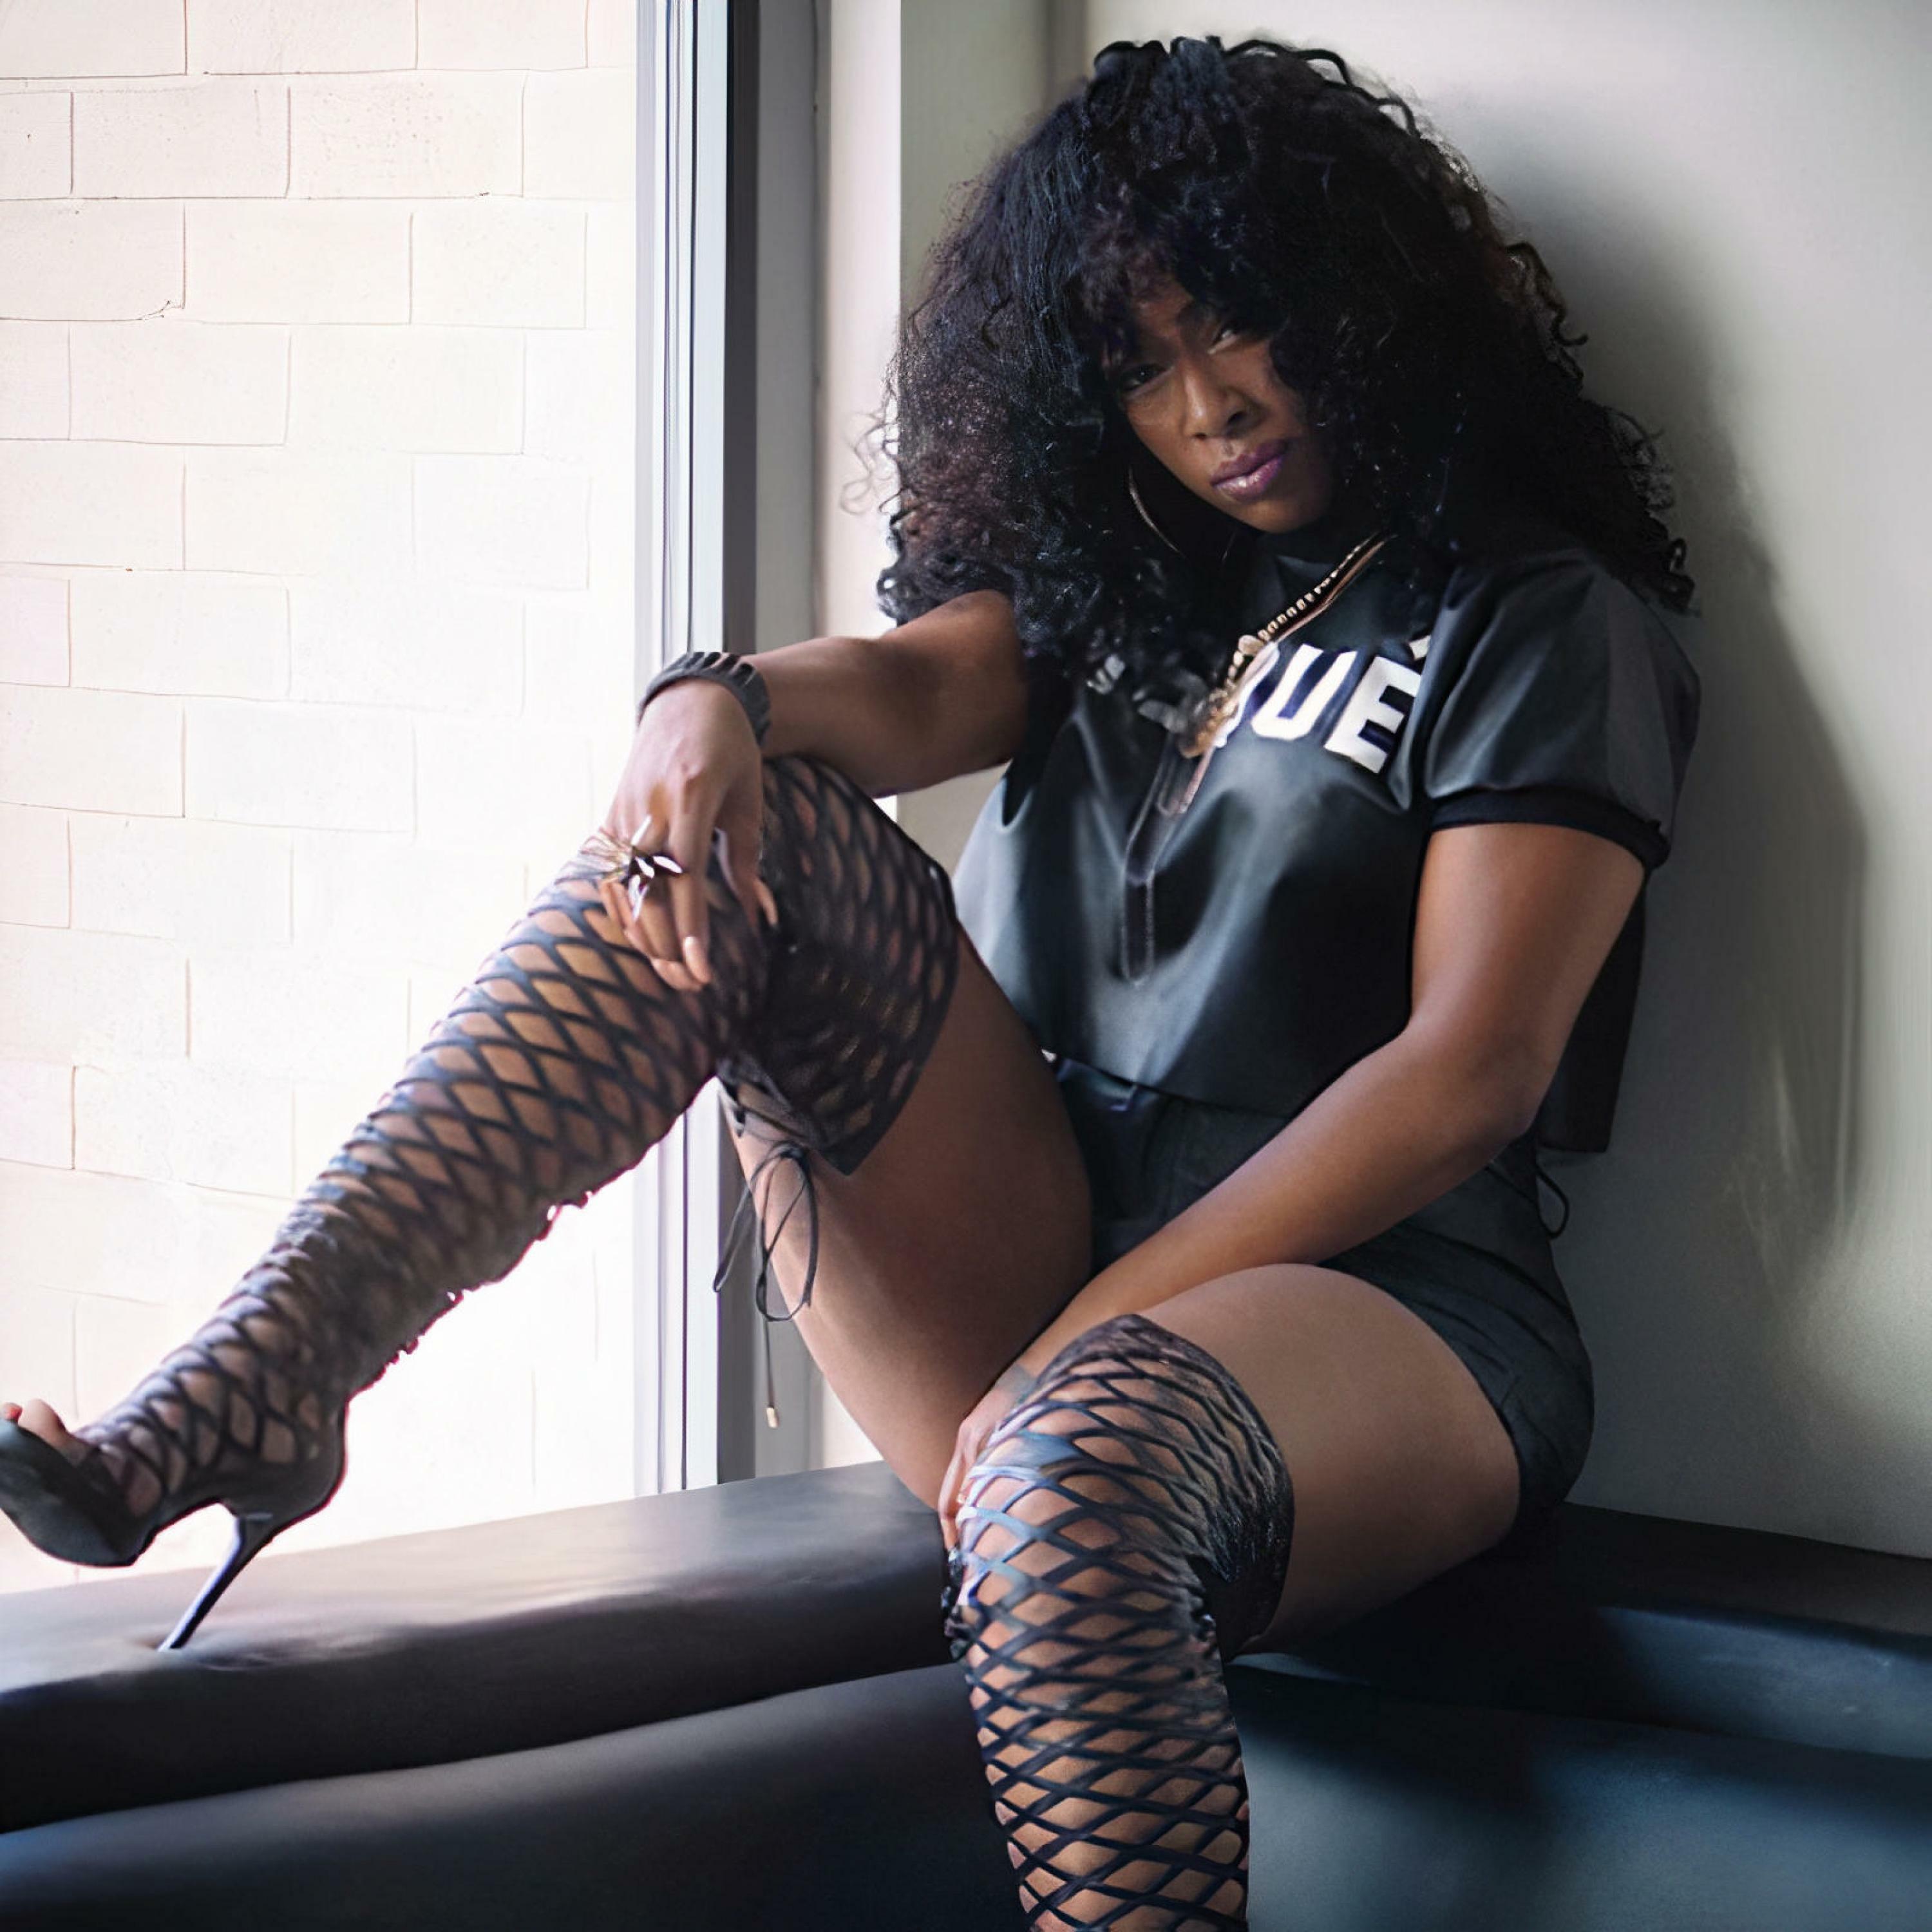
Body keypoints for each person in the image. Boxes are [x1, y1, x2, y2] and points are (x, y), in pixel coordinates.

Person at [0, 34, 1700, 1931]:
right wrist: (705, 701)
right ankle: (270, 1382)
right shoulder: (1126, 575)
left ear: (1361, 304)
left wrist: (1079, 1345)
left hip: (1384, 1309)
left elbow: (1470, 1069)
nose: (1211, 403)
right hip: (1038, 1248)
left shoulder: (1539, 617)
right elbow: (904, 689)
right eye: (1141, 367)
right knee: (765, 827)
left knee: (1065, 1491)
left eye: (1239, 324)